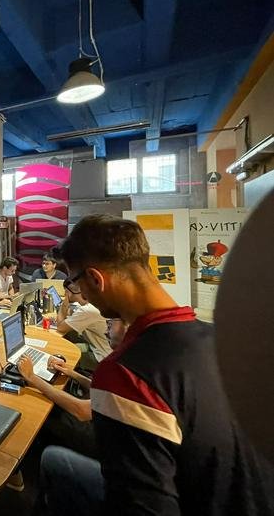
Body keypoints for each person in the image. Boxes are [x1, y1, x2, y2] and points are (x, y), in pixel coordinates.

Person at [42, 214, 274, 516]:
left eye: (74, 282)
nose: (80, 294)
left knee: (54, 461)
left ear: (96, 279)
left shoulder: (125, 374)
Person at [18, 318, 129, 459]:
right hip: (105, 422)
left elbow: (81, 411)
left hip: (104, 440)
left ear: (128, 327)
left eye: (111, 323)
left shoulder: (127, 368)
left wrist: (32, 377)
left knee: (42, 413)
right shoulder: (126, 357)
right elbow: (101, 390)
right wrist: (69, 371)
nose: (106, 329)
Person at [53, 281, 111, 372]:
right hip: (101, 350)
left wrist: (64, 304)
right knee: (70, 336)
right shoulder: (92, 304)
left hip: (101, 358)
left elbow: (60, 327)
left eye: (65, 292)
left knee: (62, 355)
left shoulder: (87, 310)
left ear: (68, 292)